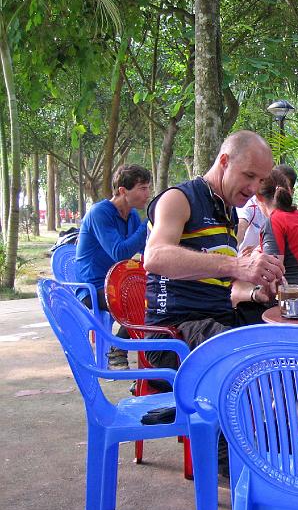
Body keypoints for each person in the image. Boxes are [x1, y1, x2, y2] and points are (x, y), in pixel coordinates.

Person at [143, 130, 285, 369]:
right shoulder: (179, 199)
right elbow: (154, 257)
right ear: (224, 161)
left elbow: (220, 283)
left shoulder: (226, 209)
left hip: (220, 320)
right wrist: (236, 265)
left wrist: (257, 290)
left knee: (288, 334)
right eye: (249, 175)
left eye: (261, 180)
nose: (254, 188)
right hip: (173, 332)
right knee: (253, 361)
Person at [75, 164, 152, 369]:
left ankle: (149, 359)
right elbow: (120, 252)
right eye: (142, 188)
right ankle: (118, 350)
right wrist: (147, 225)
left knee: (160, 297)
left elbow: (144, 247)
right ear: (123, 191)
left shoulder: (132, 215)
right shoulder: (100, 213)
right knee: (145, 302)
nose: (148, 194)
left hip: (118, 282)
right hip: (93, 286)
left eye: (148, 188)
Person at [237, 163, 297, 249]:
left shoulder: (293, 214)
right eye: (274, 184)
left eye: (283, 186)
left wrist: (260, 249)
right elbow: (241, 227)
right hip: (246, 259)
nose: (277, 190)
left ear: (291, 192)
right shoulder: (251, 204)